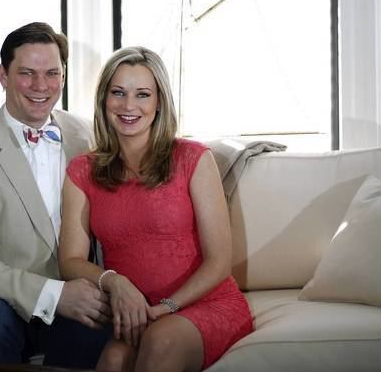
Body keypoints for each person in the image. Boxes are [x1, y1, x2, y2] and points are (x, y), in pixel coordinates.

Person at [59, 46, 254, 372]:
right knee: (112, 360)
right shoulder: (82, 171)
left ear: (159, 101)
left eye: (143, 94)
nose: (128, 106)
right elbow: (70, 261)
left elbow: (219, 262)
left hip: (205, 305)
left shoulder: (193, 158)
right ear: (104, 100)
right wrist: (115, 282)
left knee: (159, 341)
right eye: (118, 93)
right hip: (136, 311)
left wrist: (165, 308)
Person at [0, 22, 110, 368]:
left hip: (75, 291)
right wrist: (53, 295)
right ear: (3, 75)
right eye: (26, 73)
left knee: (96, 326)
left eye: (51, 73)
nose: (40, 86)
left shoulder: (87, 136)